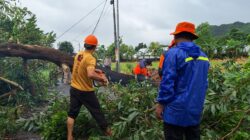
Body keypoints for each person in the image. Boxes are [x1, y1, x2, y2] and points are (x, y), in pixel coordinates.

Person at [155, 22, 210, 140]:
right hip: (194, 112)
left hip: (175, 113)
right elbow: (204, 84)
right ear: (192, 37)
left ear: (176, 36)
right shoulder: (204, 57)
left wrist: (160, 105)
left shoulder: (173, 53)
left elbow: (167, 83)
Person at [67, 35, 112, 140]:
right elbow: (90, 74)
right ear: (94, 47)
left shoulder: (79, 54)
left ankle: (69, 136)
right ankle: (110, 135)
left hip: (74, 88)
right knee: (98, 113)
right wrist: (103, 79)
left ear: (85, 45)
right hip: (85, 92)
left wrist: (97, 71)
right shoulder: (91, 58)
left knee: (72, 114)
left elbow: (80, 68)